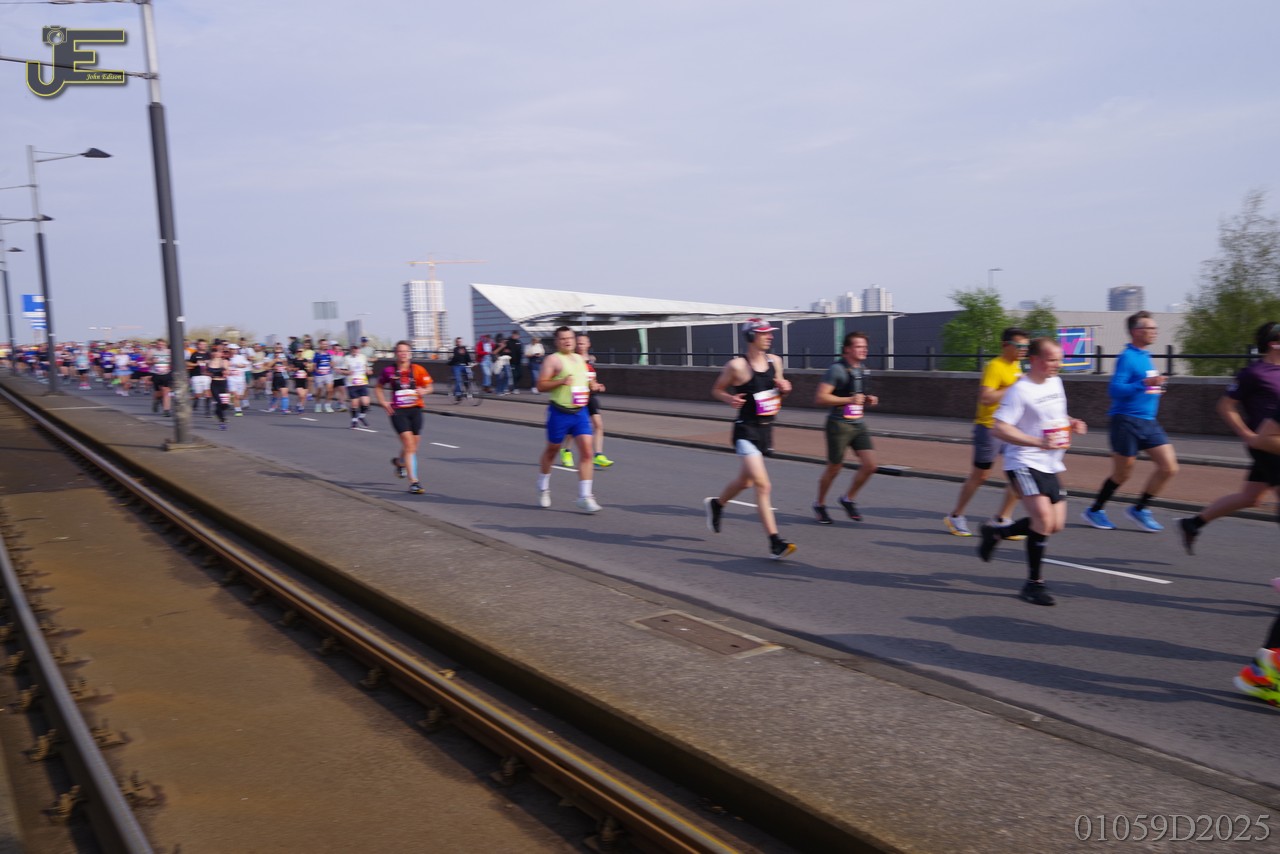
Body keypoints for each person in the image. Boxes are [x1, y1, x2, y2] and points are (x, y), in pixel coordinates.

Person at [978, 338, 1087, 606]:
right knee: (1042, 520)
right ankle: (1033, 585)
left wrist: (1071, 422)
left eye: (1059, 359)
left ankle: (996, 533)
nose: (1057, 364)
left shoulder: (1056, 382)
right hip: (1023, 462)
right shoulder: (1019, 390)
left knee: (1055, 525)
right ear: (1035, 360)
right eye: (1051, 360)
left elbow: (1055, 416)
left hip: (1050, 462)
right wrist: (1038, 442)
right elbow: (999, 428)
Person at [1177, 321, 1280, 554]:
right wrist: (1247, 435)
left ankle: (1193, 524)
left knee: (1251, 497)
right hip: (1265, 444)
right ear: (1274, 344)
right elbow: (1225, 406)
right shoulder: (1254, 373)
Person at [703, 319, 795, 559]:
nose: (770, 337)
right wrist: (729, 399)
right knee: (763, 485)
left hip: (766, 430)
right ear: (752, 336)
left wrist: (785, 389)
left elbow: (778, 396)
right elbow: (716, 389)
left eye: (770, 333)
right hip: (746, 430)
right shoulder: (737, 366)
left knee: (745, 482)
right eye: (764, 333)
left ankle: (717, 504)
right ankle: (775, 542)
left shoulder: (776, 362)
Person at [1081, 311, 1178, 532]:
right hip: (1126, 421)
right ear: (1136, 331)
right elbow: (1115, 390)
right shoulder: (1126, 357)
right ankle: (1095, 510)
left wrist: (1155, 387)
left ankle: (1140, 509)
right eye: (1150, 328)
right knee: (1122, 474)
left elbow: (1144, 385)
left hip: (1149, 422)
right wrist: (1144, 384)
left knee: (1169, 467)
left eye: (1155, 328)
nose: (1155, 332)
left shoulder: (1145, 356)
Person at [945, 328, 1028, 537]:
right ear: (1005, 345)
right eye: (1019, 346)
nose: (1023, 350)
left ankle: (1002, 519)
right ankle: (955, 515)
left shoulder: (1018, 366)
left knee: (1020, 474)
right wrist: (1014, 386)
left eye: (1026, 347)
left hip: (1011, 429)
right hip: (989, 428)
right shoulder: (994, 366)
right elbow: (986, 398)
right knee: (980, 475)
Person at [813, 331, 879, 524]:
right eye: (859, 346)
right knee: (834, 468)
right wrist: (849, 399)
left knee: (870, 466)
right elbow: (820, 398)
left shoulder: (862, 369)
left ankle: (848, 499)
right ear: (847, 349)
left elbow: (858, 395)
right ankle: (819, 504)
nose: (864, 350)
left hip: (858, 423)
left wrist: (868, 399)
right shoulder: (836, 369)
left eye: (865, 346)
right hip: (838, 424)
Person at [535, 326, 600, 512]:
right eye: (563, 338)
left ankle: (585, 496)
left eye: (570, 338)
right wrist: (561, 381)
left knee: (587, 452)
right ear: (557, 342)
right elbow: (540, 385)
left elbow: (586, 380)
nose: (567, 341)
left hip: (580, 412)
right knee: (552, 451)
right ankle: (543, 487)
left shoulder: (580, 359)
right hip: (559, 412)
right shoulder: (553, 360)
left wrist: (593, 385)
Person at [375, 341, 433, 495]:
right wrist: (383, 402)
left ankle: (400, 462)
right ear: (396, 353)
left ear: (410, 353)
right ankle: (414, 482)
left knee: (413, 446)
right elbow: (378, 387)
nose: (403, 354)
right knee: (408, 444)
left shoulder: (418, 369)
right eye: (400, 351)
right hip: (398, 411)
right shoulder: (389, 371)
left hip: (415, 410)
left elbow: (430, 387)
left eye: (406, 351)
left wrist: (424, 391)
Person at [560, 333, 613, 468]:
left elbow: (591, 379)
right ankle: (566, 451)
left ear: (588, 344)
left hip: (590, 396)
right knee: (574, 427)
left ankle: (598, 455)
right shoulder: (572, 359)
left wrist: (597, 385)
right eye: (578, 343)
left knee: (598, 425)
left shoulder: (590, 360)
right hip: (577, 394)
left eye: (582, 343)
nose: (580, 345)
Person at [344, 343, 372, 427]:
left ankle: (361, 416)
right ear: (351, 350)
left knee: (366, 402)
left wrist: (368, 371)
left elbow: (366, 367)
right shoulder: (346, 358)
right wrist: (347, 372)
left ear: (359, 349)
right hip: (352, 383)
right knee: (354, 404)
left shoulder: (363, 357)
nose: (355, 350)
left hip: (362, 382)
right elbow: (341, 370)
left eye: (356, 349)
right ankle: (354, 420)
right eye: (353, 349)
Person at [207, 344, 231, 430]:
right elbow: (205, 372)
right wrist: (209, 373)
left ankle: (217, 412)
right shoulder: (209, 362)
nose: (217, 353)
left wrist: (225, 371)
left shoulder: (224, 361)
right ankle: (222, 421)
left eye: (219, 352)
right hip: (214, 383)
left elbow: (227, 372)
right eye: (215, 351)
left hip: (223, 383)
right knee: (219, 402)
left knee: (225, 405)